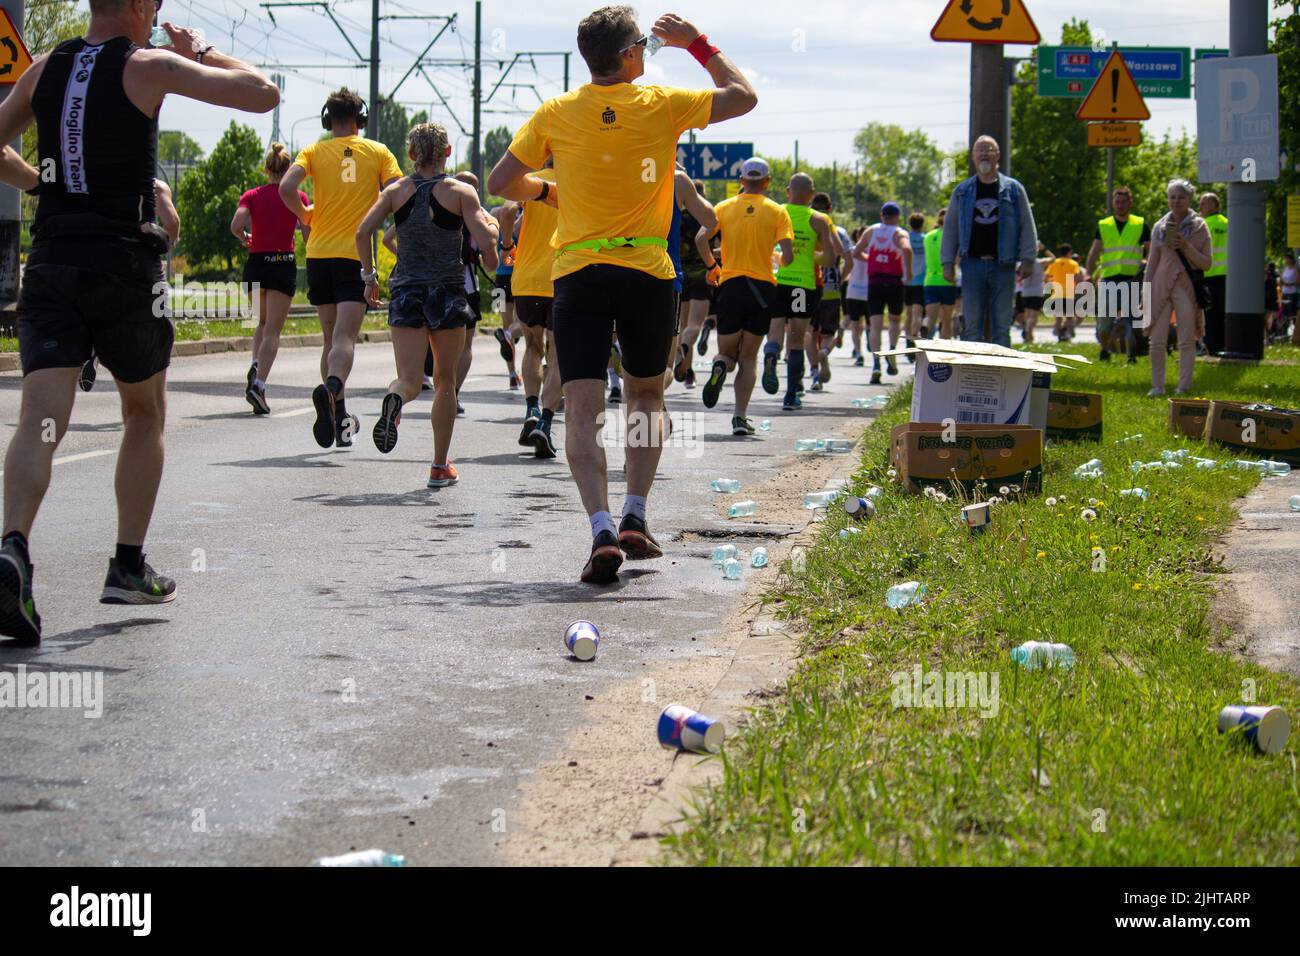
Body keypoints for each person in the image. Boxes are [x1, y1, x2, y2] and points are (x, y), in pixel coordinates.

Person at [0, 2, 278, 645]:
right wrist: (200, 52)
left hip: (51, 265)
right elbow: (263, 94)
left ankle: (13, 546)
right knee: (144, 415)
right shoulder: (148, 66)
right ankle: (127, 563)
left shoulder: (43, 71)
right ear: (135, 8)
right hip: (125, 267)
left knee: (40, 418)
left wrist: (38, 184)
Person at [488, 6, 756, 585]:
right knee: (644, 399)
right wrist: (697, 44)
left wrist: (550, 192)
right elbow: (743, 96)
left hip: (580, 270)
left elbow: (500, 182)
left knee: (583, 407)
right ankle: (636, 514)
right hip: (647, 273)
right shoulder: (661, 103)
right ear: (632, 54)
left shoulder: (557, 111)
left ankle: (602, 528)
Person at [356, 122, 498, 486]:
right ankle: (438, 465)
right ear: (447, 153)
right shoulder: (462, 192)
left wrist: (370, 277)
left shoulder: (396, 191)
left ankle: (396, 400)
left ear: (411, 155)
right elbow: (486, 248)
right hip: (448, 293)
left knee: (408, 379)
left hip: (406, 291)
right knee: (445, 382)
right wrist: (494, 239)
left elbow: (363, 231)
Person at [280, 88, 402, 449]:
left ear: (326, 119)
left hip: (318, 254)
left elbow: (287, 186)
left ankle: (340, 419)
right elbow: (399, 193)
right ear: (360, 119)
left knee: (330, 340)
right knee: (345, 339)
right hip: (355, 255)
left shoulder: (314, 152)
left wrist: (305, 216)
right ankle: (332, 389)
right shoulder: (377, 152)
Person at [696, 158, 793, 434]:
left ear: (741, 180)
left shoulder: (724, 208)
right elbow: (787, 256)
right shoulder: (777, 211)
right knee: (748, 357)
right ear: (767, 182)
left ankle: (718, 367)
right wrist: (779, 260)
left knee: (727, 353)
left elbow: (701, 240)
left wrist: (712, 266)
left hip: (730, 286)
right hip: (762, 290)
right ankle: (740, 417)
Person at [232, 142, 308, 413]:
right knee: (273, 330)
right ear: (289, 169)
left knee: (261, 324)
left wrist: (246, 238)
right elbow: (308, 230)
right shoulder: (297, 196)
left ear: (266, 169)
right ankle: (259, 384)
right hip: (281, 263)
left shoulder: (251, 195)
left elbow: (236, 225)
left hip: (256, 264)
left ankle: (255, 363)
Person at [940, 135, 1038, 347]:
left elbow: (1026, 224)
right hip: (971, 264)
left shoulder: (1013, 190)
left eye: (989, 150)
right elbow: (950, 228)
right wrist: (947, 262)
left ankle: (1001, 376)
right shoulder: (962, 191)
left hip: (1004, 264)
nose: (984, 154)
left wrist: (1028, 259)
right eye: (980, 150)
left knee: (1002, 326)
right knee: (972, 326)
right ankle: (971, 375)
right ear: (973, 157)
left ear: (998, 156)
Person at [764, 173, 836, 410]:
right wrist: (810, 255)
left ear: (788, 191)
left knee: (775, 330)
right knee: (796, 340)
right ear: (812, 194)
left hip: (776, 280)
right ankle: (791, 395)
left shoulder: (775, 212)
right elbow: (830, 258)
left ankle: (771, 353)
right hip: (803, 285)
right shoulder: (818, 219)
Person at [511, 157, 564, 458]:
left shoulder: (531, 181)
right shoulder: (574, 181)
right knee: (557, 355)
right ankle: (544, 422)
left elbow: (508, 214)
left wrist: (507, 244)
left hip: (528, 278)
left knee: (532, 347)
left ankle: (531, 406)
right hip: (562, 278)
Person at [1144, 180, 1211, 397]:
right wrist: (1145, 293)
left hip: (1186, 287)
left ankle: (1183, 386)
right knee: (1157, 340)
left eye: (1180, 197)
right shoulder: (1159, 227)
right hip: (1160, 286)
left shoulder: (1200, 226)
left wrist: (1187, 247)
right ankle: (1157, 386)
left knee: (1186, 339)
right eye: (1172, 197)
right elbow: (1152, 263)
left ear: (1189, 199)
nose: (1176, 201)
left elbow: (1206, 263)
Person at [1085, 186, 1150, 364]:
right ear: (1113, 203)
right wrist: (1088, 273)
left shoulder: (1140, 224)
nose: (1120, 205)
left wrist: (1146, 263)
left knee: (1130, 320)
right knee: (1105, 322)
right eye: (1117, 202)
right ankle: (1105, 349)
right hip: (1109, 280)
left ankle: (1131, 355)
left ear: (1130, 203)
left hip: (1132, 279)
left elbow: (1151, 250)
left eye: (1124, 202)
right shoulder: (1104, 225)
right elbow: (1094, 251)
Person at [853, 202, 912, 385]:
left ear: (881, 215)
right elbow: (907, 249)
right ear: (897, 217)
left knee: (876, 324)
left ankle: (876, 363)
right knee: (895, 320)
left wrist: (871, 259)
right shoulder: (899, 233)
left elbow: (856, 252)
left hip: (875, 281)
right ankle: (892, 352)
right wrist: (908, 271)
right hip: (894, 281)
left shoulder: (871, 230)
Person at [807, 191, 851, 390]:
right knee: (828, 332)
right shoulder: (839, 231)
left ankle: (814, 373)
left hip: (808, 284)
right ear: (830, 209)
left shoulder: (806, 225)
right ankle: (824, 350)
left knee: (808, 331)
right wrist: (840, 278)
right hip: (831, 288)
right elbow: (849, 260)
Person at [673, 177, 713, 388]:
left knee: (681, 325)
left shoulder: (678, 215)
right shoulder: (705, 217)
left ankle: (687, 370)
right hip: (701, 275)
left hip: (679, 274)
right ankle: (686, 348)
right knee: (695, 324)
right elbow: (712, 245)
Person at [492, 201, 523, 389]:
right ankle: (509, 334)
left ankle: (512, 375)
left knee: (505, 325)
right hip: (520, 276)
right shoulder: (525, 211)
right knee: (523, 324)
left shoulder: (497, 212)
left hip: (500, 278)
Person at [1199, 192, 1228, 355]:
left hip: (1208, 275)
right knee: (1222, 313)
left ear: (1213, 206)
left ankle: (1212, 347)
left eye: (1203, 203)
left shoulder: (1203, 224)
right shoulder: (1229, 223)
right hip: (1226, 276)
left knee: (1209, 315)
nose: (1200, 207)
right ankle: (1223, 345)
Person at [922, 208, 957, 340]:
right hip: (947, 280)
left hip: (930, 280)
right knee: (946, 320)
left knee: (930, 317)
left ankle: (925, 327)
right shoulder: (952, 237)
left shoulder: (928, 236)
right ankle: (944, 352)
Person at [842, 226, 870, 366]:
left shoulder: (872, 252)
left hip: (867, 293)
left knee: (862, 325)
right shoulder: (853, 252)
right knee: (856, 325)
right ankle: (858, 353)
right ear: (858, 237)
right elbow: (846, 269)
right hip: (854, 292)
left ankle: (865, 347)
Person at [1044, 243, 1081, 342]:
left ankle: (1058, 334)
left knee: (1058, 317)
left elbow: (1046, 277)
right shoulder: (1073, 263)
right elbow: (1077, 278)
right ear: (1069, 252)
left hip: (1056, 294)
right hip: (1069, 293)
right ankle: (1068, 334)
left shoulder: (1054, 263)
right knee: (1069, 317)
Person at [1019, 243, 1054, 344]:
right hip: (1037, 292)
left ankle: (1027, 331)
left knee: (1027, 314)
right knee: (1033, 315)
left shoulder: (1022, 263)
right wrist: (1045, 249)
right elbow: (1053, 258)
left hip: (1025, 292)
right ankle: (1029, 332)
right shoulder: (1041, 262)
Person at [904, 211, 927, 346]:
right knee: (917, 313)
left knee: (908, 313)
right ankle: (914, 338)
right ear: (922, 224)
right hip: (921, 280)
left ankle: (908, 341)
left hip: (906, 280)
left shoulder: (905, 238)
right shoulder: (926, 238)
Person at [1281, 254, 1299, 345]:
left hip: (1292, 293)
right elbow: (1281, 279)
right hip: (1285, 292)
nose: (1286, 261)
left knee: (1292, 313)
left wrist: (1290, 284)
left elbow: (1298, 280)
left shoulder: (1295, 268)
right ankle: (1284, 334)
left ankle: (1295, 334)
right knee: (1285, 313)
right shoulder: (1285, 268)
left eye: (1288, 259)